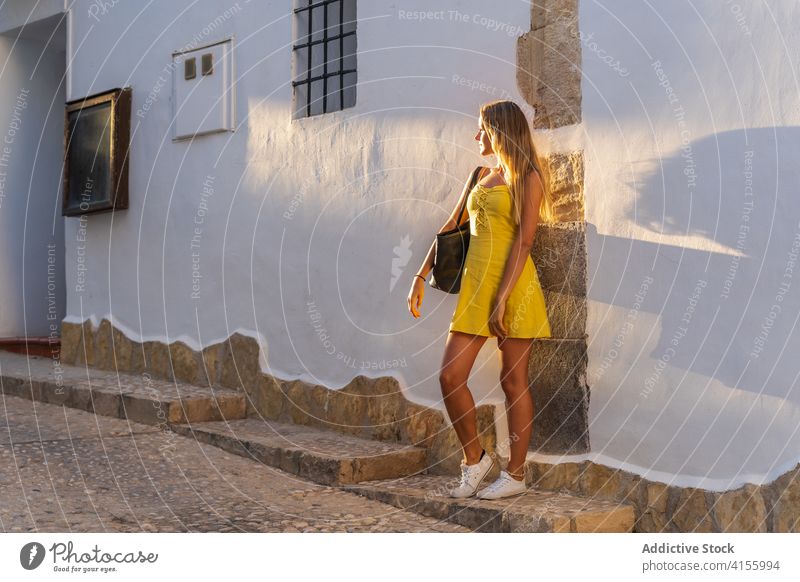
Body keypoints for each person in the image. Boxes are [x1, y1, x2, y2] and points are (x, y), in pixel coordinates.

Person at [407, 99, 555, 500]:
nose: (476, 137)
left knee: (513, 381)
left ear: (499, 131)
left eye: (481, 130)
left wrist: (502, 299)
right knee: (450, 377)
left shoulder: (528, 177)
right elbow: (450, 226)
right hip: (475, 286)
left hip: (514, 287)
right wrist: (420, 275)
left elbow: (524, 243)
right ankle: (475, 461)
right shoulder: (479, 175)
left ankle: (516, 475)